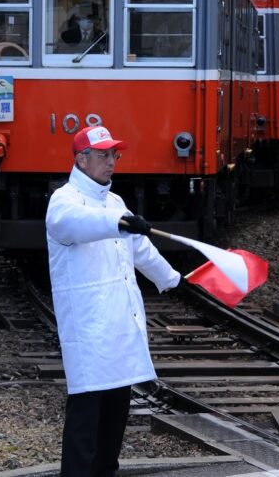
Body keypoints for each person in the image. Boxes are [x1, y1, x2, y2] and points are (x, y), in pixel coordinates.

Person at [46, 125, 181, 477]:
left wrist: (174, 281)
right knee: (86, 419)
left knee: (114, 419)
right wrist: (119, 223)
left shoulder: (115, 202)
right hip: (90, 330)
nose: (111, 162)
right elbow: (77, 224)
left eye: (113, 155)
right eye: (104, 155)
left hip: (120, 327)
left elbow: (142, 251)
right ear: (81, 158)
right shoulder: (64, 200)